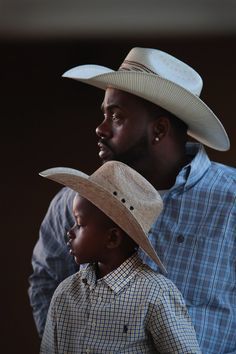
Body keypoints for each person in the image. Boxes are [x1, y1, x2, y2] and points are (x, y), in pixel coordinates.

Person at [29, 47, 236, 353]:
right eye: (104, 114)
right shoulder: (74, 200)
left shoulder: (231, 201)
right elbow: (46, 280)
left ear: (160, 129)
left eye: (117, 116)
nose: (100, 128)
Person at [39, 161, 201, 353]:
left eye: (80, 224)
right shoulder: (65, 294)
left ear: (113, 237)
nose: (70, 232)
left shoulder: (156, 295)